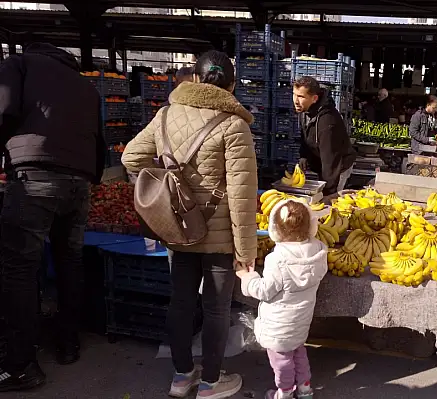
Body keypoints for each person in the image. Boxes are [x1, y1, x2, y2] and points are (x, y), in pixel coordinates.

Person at [122, 50, 258, 399]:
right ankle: (211, 382)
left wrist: (166, 186)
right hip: (219, 236)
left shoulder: (166, 115)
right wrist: (246, 251)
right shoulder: (234, 125)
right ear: (231, 85)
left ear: (195, 79)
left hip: (176, 231)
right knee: (216, 308)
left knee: (181, 302)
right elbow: (242, 197)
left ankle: (181, 377)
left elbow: (131, 157)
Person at [0, 42, 106, 391]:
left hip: (35, 178)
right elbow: (99, 142)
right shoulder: (86, 86)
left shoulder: (20, 64)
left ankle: (21, 365)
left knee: (19, 269)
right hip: (79, 184)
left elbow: (3, 111)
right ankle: (68, 343)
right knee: (69, 262)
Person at [237, 199, 327, 399]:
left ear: (274, 230)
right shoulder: (319, 252)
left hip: (279, 325)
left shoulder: (277, 259)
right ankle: (305, 388)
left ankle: (284, 392)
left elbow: (264, 291)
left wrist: (247, 277)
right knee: (298, 352)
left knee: (281, 360)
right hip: (301, 320)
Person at [294, 76, 356, 197]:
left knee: (331, 201)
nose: (296, 100)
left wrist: (327, 195)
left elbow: (331, 162)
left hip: (338, 167)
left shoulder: (327, 122)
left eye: (301, 97)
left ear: (314, 98)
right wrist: (304, 156)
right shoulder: (305, 110)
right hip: (322, 163)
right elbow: (305, 135)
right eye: (294, 94)